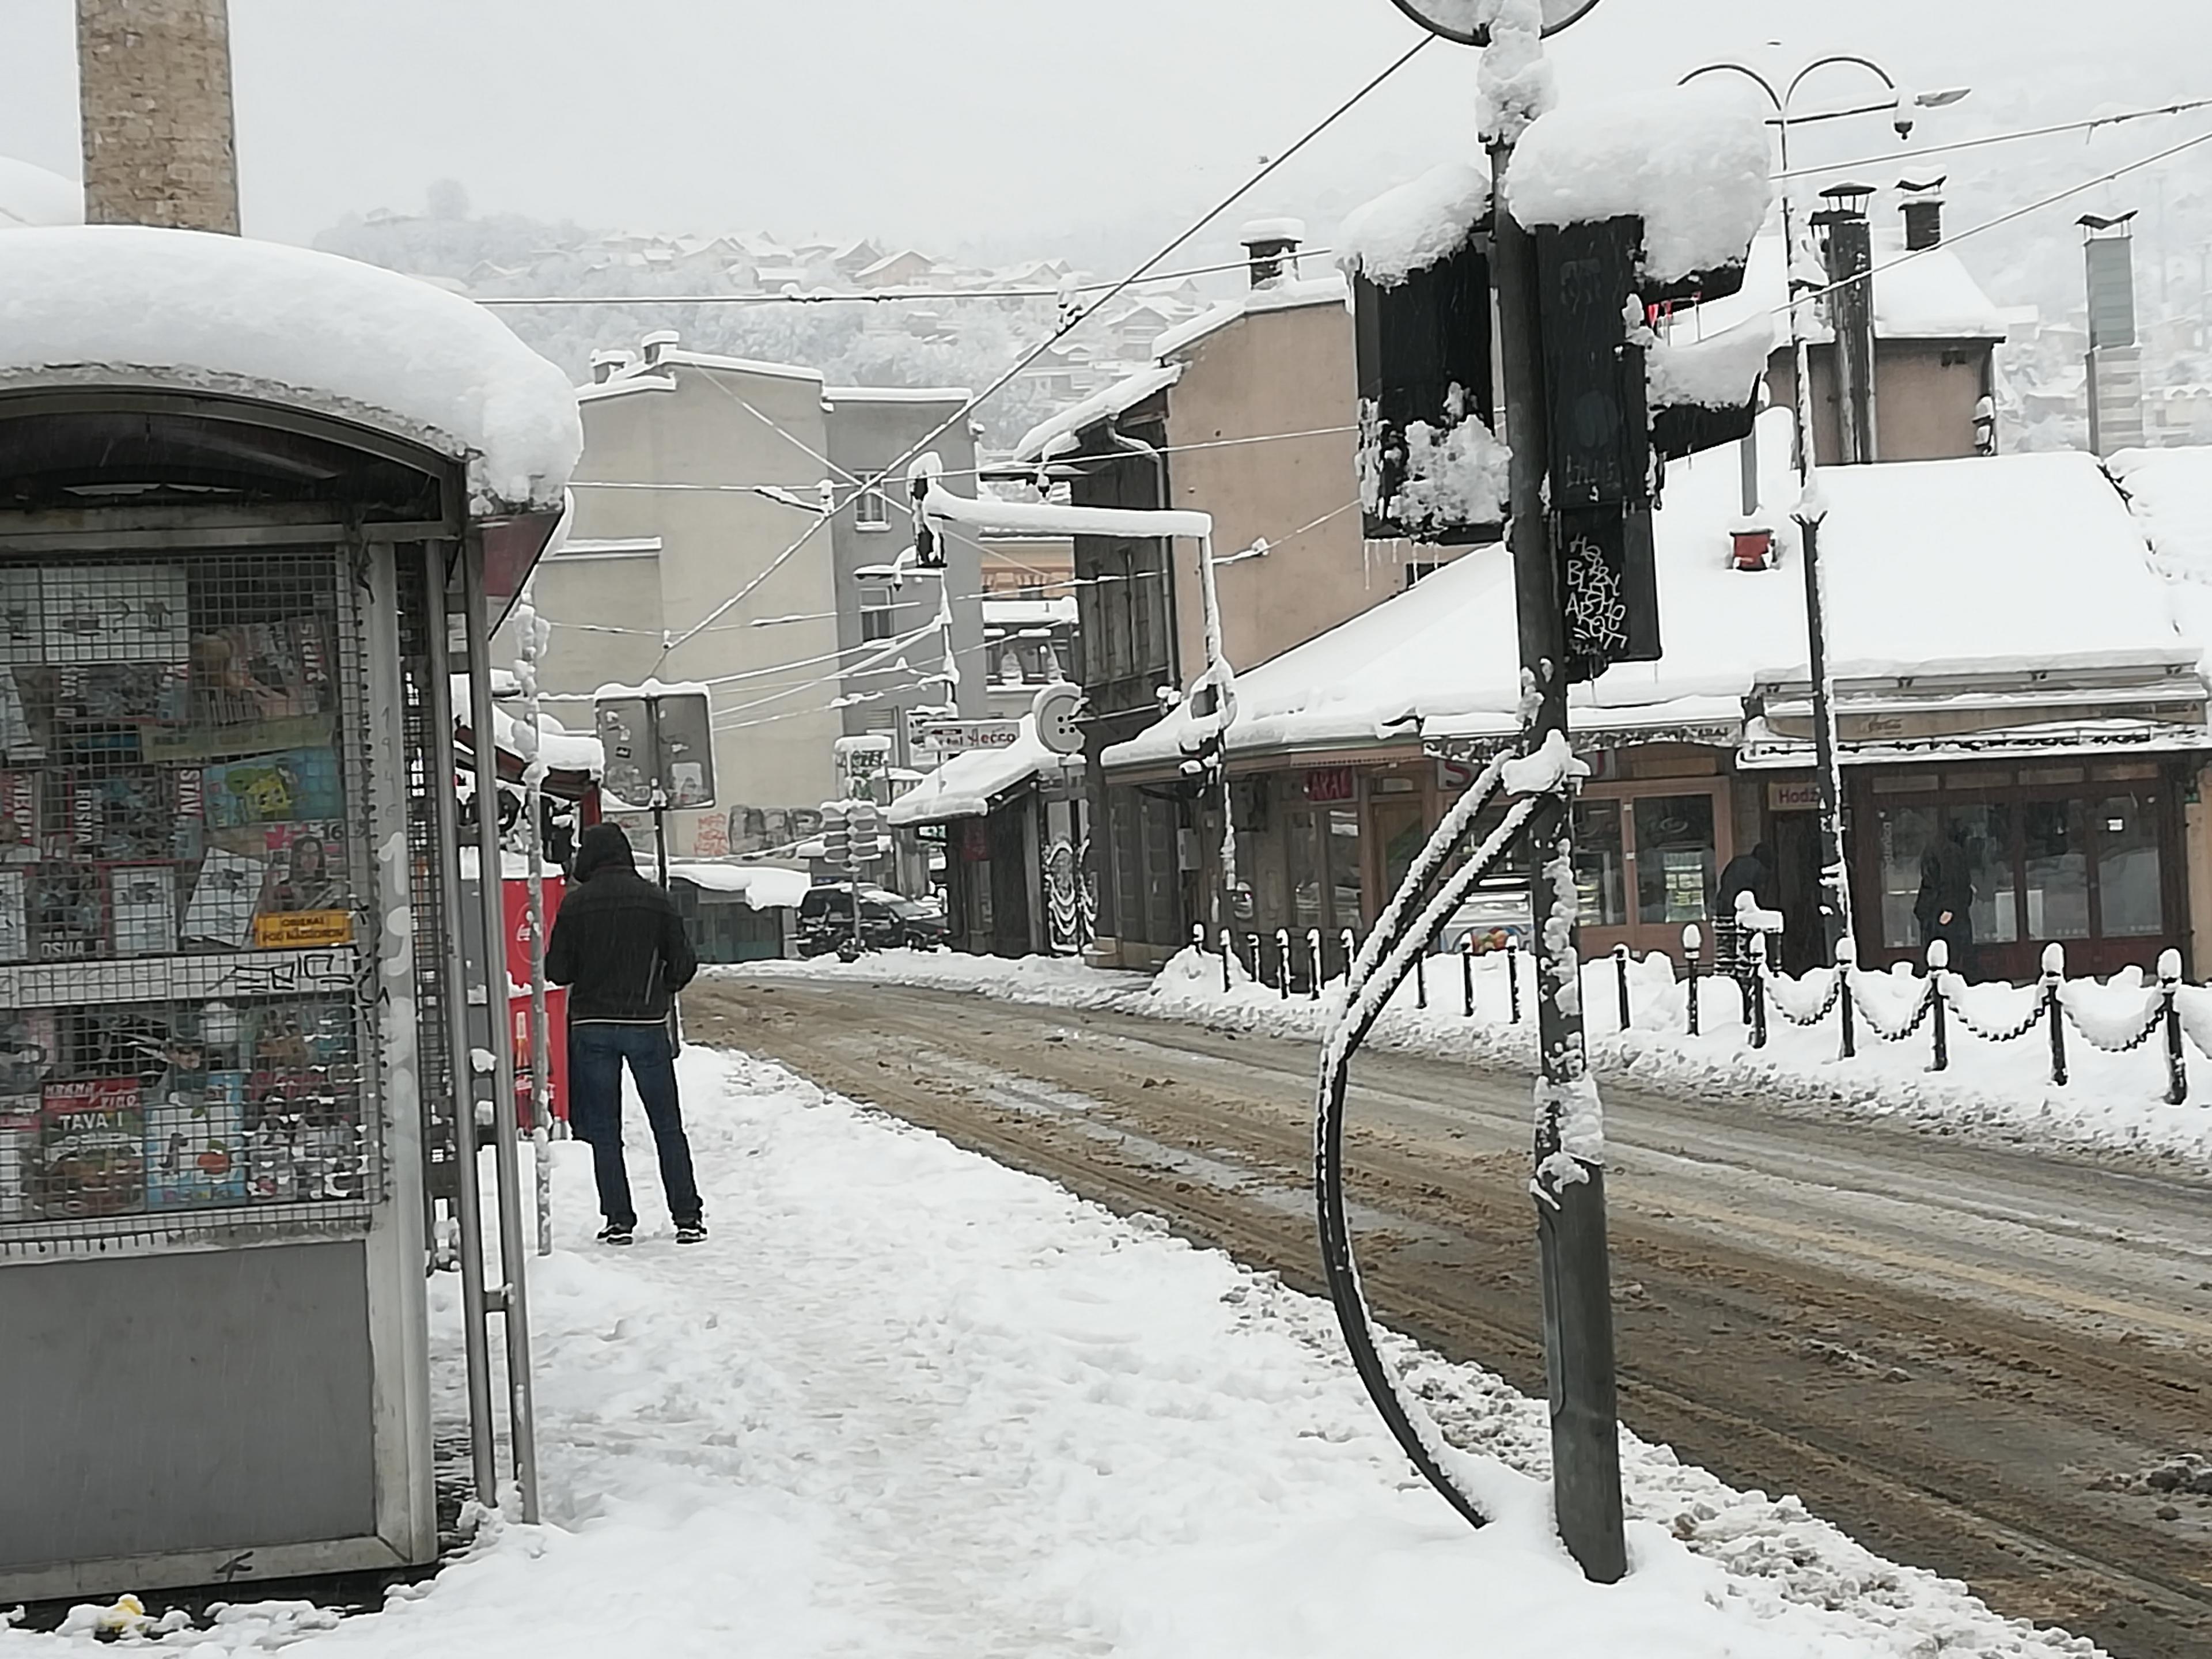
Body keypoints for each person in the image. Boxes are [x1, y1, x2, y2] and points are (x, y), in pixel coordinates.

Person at [546, 823, 703, 1245]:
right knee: (666, 1124)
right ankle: (687, 1216)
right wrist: (657, 990)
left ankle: (618, 1218)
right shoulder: (657, 900)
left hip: (592, 1026)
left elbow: (556, 971)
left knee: (604, 1127)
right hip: (646, 1025)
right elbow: (684, 964)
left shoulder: (575, 906)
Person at [1915, 820, 1975, 976]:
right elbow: (1953, 883)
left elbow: (1936, 883)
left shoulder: (1943, 851)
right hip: (1944, 912)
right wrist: (1949, 908)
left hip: (1940, 910)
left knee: (1941, 956)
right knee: (1952, 955)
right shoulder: (1950, 852)